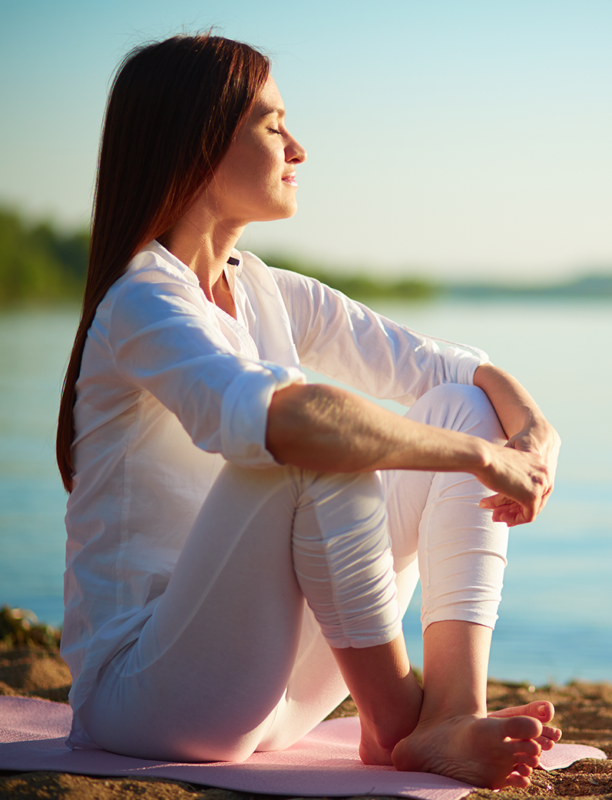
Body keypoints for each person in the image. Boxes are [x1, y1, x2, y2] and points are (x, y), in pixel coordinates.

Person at [56, 34, 562, 790]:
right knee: (312, 440)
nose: (298, 147)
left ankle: (449, 712)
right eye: (271, 124)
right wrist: (482, 459)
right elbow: (289, 421)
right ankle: (396, 720)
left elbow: (459, 371)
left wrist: (533, 433)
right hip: (148, 697)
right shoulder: (143, 300)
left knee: (457, 407)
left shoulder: (265, 289)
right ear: (197, 145)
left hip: (276, 694)